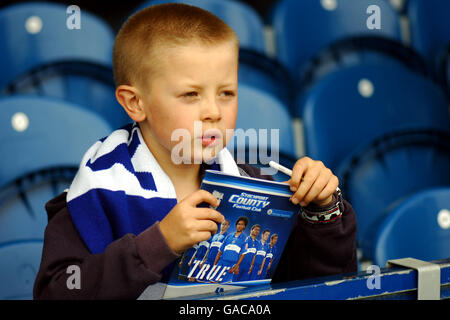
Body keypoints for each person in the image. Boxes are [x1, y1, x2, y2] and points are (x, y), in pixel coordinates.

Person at [33, 3, 357, 300]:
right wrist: (159, 243)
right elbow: (55, 294)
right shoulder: (97, 193)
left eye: (227, 93)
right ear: (136, 103)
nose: (213, 111)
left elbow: (320, 289)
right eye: (191, 94)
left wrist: (322, 212)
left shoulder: (256, 184)